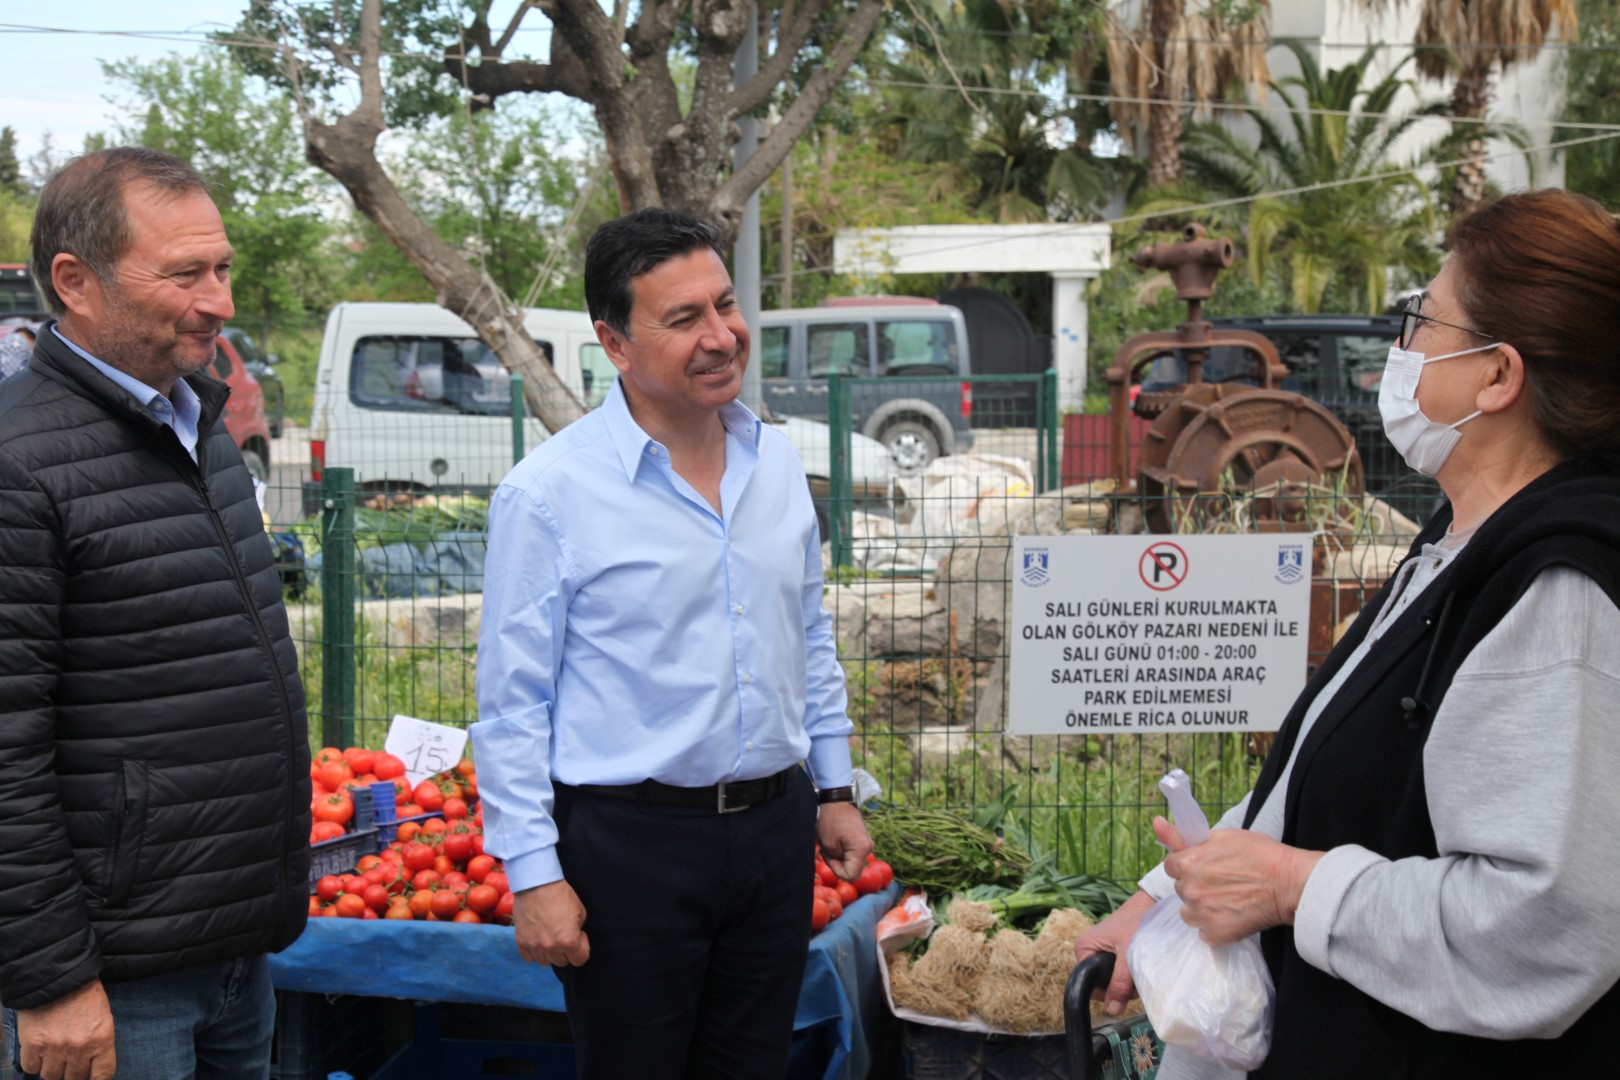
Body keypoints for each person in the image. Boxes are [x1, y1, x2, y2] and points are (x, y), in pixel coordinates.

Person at [1076, 188, 1620, 1080]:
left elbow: (1546, 927)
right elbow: (1328, 777)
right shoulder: (1453, 552)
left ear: (1497, 377)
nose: (1398, 350)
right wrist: (1160, 904)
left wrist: (1295, 889)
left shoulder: (1557, 590)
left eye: (1421, 319)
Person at [472, 207, 872, 1079]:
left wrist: (835, 786)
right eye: (684, 319)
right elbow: (511, 707)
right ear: (614, 344)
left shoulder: (777, 466)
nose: (722, 336)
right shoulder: (548, 495)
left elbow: (807, 638)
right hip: (629, 849)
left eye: (725, 306)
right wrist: (533, 874)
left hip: (772, 834)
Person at [0, 147, 311, 1080]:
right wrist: (52, 979)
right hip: (110, 982)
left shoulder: (200, 430)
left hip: (229, 952)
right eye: (185, 274)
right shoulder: (19, 464)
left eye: (221, 268)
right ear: (74, 281)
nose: (218, 300)